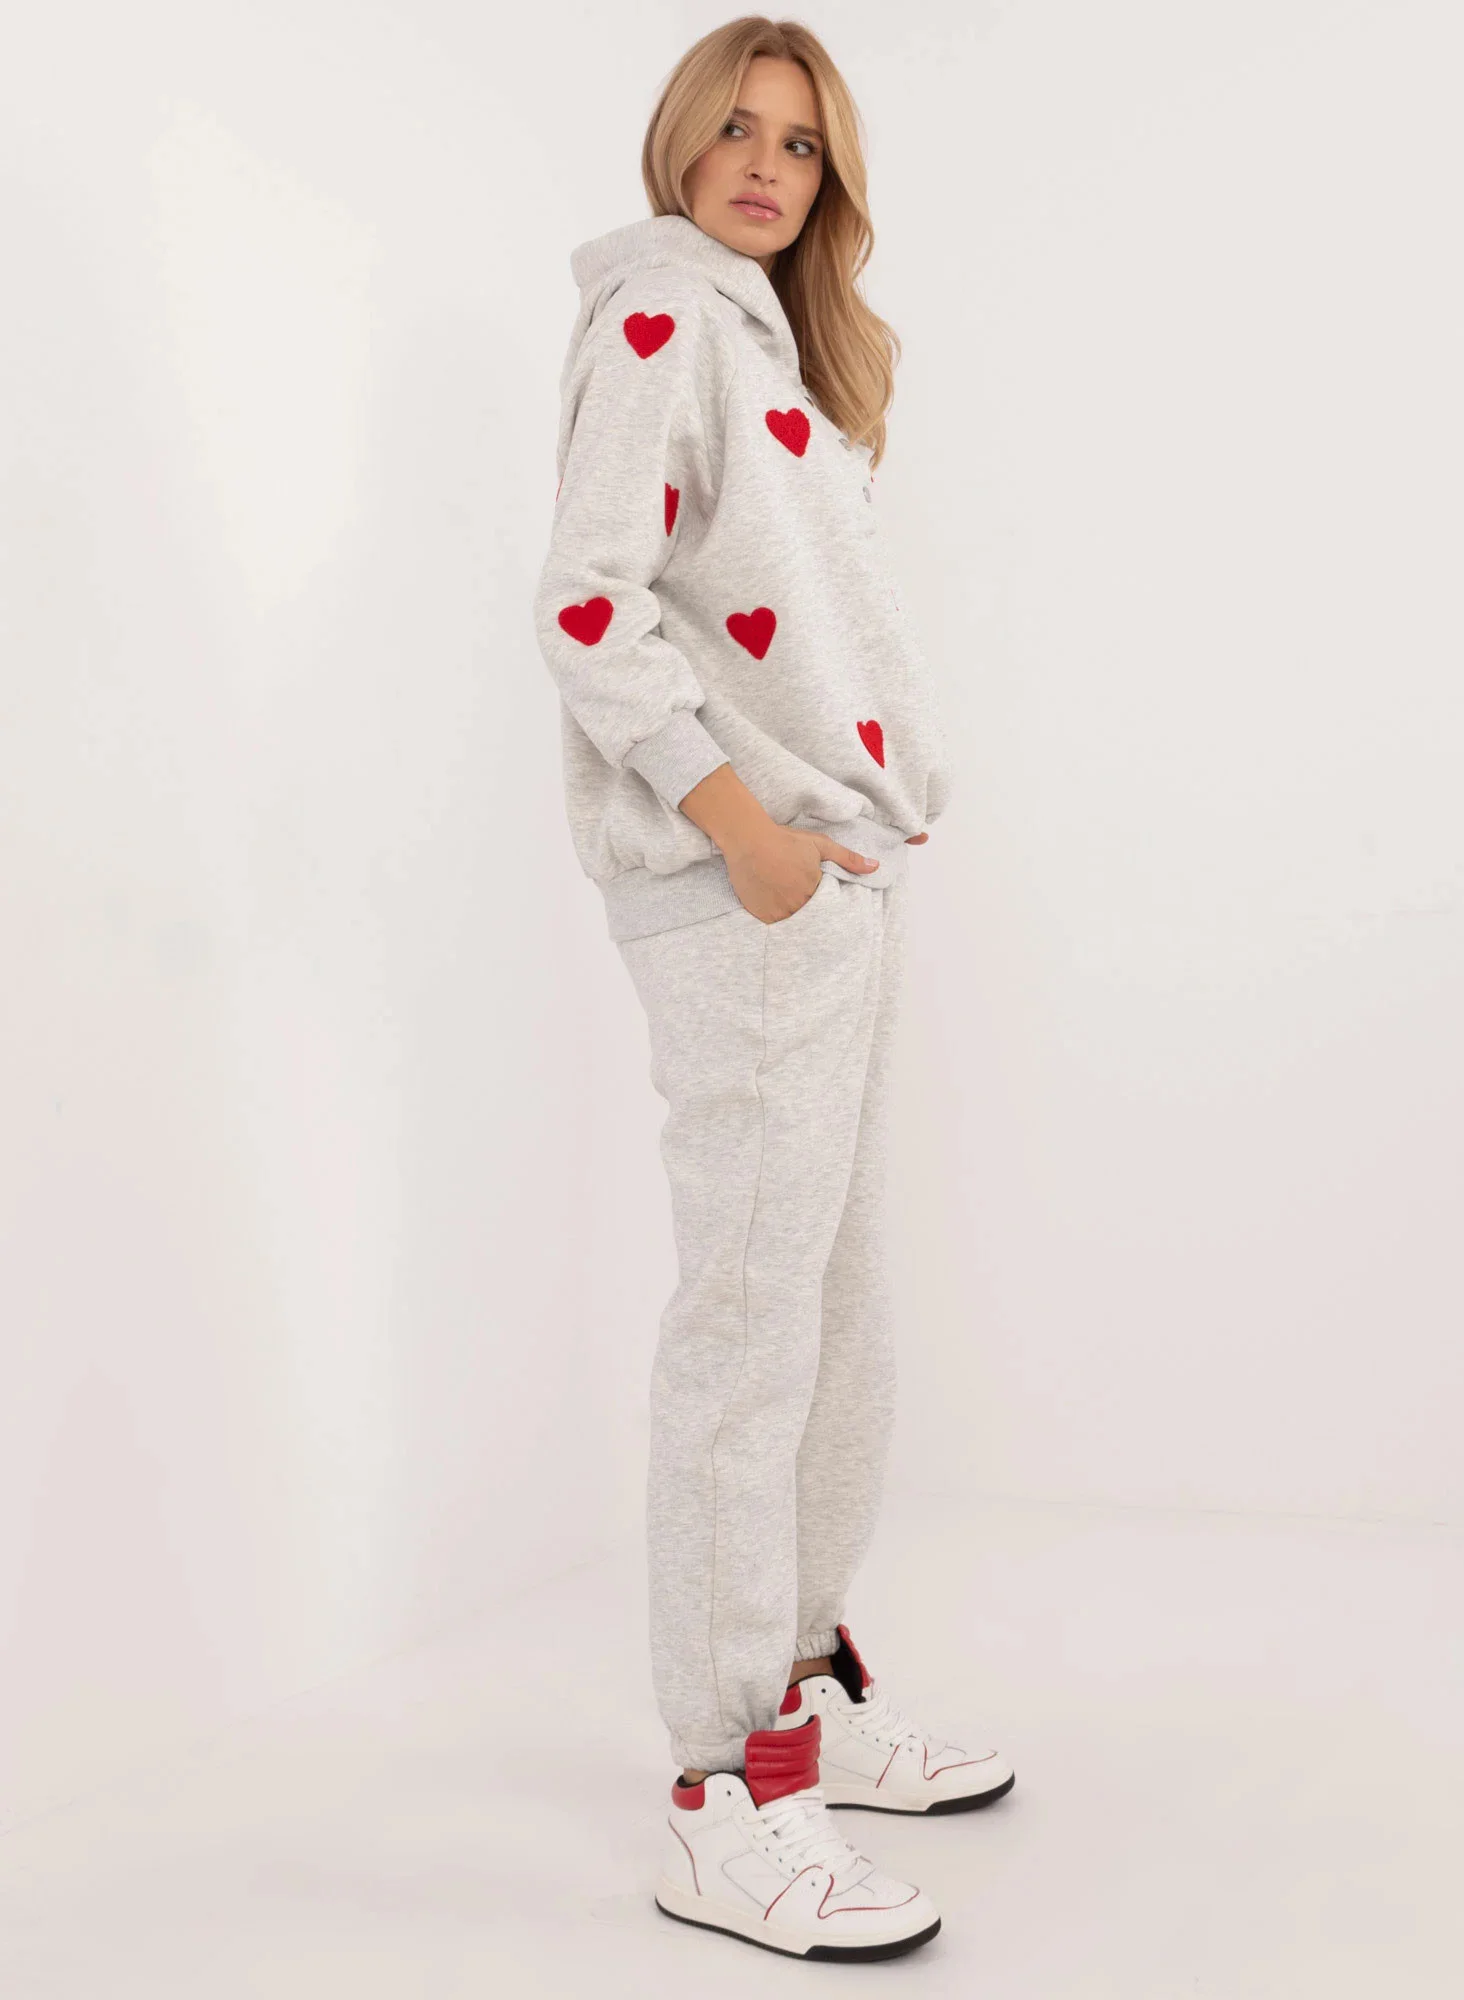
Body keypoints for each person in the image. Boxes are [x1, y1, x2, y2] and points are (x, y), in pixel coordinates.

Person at [532, 16, 1015, 1963]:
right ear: (680, 143)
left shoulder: (767, 347)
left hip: (832, 885)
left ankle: (802, 1686)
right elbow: (590, 610)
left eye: (799, 144)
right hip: (748, 891)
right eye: (734, 128)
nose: (762, 163)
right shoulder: (661, 316)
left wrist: (829, 844)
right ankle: (724, 1787)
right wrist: (743, 832)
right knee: (748, 1329)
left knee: (831, 1314)